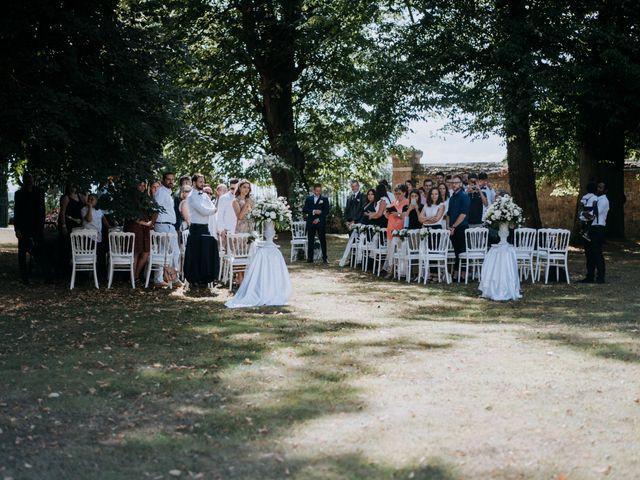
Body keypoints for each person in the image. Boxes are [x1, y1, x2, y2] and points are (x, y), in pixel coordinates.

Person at [13, 173, 52, 284]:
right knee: (22, 252)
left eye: (30, 178)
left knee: (42, 251)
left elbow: (42, 211)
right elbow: (17, 212)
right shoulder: (19, 194)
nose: (29, 180)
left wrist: (41, 226)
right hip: (24, 227)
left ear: (33, 179)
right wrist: (17, 229)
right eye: (27, 178)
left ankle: (47, 277)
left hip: (37, 227)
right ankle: (24, 278)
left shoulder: (39, 192)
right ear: (23, 180)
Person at [184, 174, 219, 287]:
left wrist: (211, 209)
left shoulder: (204, 195)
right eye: (200, 181)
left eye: (203, 181)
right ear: (193, 183)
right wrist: (212, 210)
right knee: (195, 254)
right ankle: (194, 279)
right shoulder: (191, 196)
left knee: (205, 254)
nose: (202, 183)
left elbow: (211, 206)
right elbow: (203, 210)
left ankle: (205, 278)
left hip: (205, 227)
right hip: (195, 228)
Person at [153, 172, 182, 287]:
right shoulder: (161, 192)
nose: (171, 181)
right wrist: (153, 223)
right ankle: (174, 278)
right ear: (163, 180)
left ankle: (158, 279)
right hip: (163, 224)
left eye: (172, 179)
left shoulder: (167, 193)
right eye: (168, 179)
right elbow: (156, 208)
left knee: (162, 252)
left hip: (167, 225)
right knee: (175, 251)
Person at [124, 181, 154, 286]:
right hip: (134, 227)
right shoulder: (131, 199)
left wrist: (149, 223)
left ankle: (136, 275)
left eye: (143, 185)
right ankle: (132, 278)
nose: (142, 187)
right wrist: (145, 223)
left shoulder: (146, 198)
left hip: (144, 228)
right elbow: (132, 217)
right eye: (139, 185)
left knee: (146, 253)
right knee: (135, 252)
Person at [579, 182, 609, 284]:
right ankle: (590, 276)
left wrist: (584, 214)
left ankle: (600, 277)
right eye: (598, 186)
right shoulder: (594, 198)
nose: (598, 189)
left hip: (597, 228)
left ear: (605, 191)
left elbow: (592, 215)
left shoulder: (604, 201)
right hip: (590, 228)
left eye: (601, 188)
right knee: (589, 253)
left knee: (597, 253)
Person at [81, 193, 110, 275]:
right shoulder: (84, 209)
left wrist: (111, 227)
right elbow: (89, 219)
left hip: (98, 236)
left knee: (101, 255)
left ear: (96, 201)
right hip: (88, 238)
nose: (90, 200)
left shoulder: (99, 210)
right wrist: (89, 207)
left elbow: (105, 221)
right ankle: (87, 275)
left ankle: (100, 275)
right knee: (90, 257)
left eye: (92, 199)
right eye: (89, 199)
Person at [448, 175, 470, 277]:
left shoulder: (464, 196)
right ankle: (456, 273)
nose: (454, 184)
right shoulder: (452, 197)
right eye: (452, 183)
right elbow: (449, 213)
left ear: (461, 184)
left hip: (461, 227)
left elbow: (463, 214)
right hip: (453, 228)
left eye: (456, 182)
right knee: (457, 252)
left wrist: (454, 226)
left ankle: (463, 274)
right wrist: (450, 227)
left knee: (463, 251)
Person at [303, 183, 330, 264]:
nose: (318, 192)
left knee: (322, 240)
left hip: (320, 222)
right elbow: (305, 209)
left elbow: (326, 211)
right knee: (310, 240)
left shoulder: (324, 199)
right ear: (314, 190)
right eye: (317, 191)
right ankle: (310, 258)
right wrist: (314, 211)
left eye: (319, 191)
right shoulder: (309, 199)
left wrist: (319, 218)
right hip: (311, 222)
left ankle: (325, 258)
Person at [216, 178, 239, 244]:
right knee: (228, 252)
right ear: (229, 187)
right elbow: (220, 215)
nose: (234, 190)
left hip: (239, 230)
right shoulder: (223, 198)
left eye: (236, 188)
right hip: (227, 231)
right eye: (232, 188)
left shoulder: (241, 197)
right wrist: (222, 230)